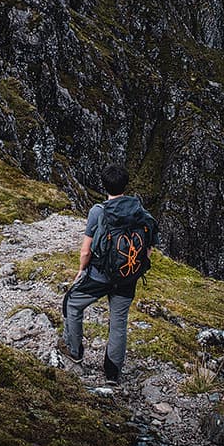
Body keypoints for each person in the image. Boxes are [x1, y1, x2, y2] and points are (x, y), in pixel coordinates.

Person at [59, 164, 158, 384]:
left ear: (103, 185)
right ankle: (112, 374)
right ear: (126, 184)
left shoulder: (98, 211)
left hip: (99, 275)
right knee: (118, 322)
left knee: (73, 304)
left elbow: (86, 250)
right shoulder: (142, 213)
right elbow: (148, 248)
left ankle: (74, 351)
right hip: (127, 276)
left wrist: (81, 270)